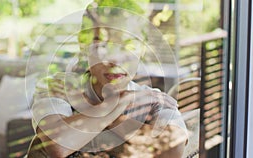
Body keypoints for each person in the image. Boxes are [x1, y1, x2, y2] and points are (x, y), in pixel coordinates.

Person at [27, 4, 188, 158]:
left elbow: (171, 152)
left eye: (127, 45)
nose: (115, 60)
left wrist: (95, 112)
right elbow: (59, 146)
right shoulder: (58, 87)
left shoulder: (154, 100)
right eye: (102, 46)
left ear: (142, 50)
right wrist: (116, 104)